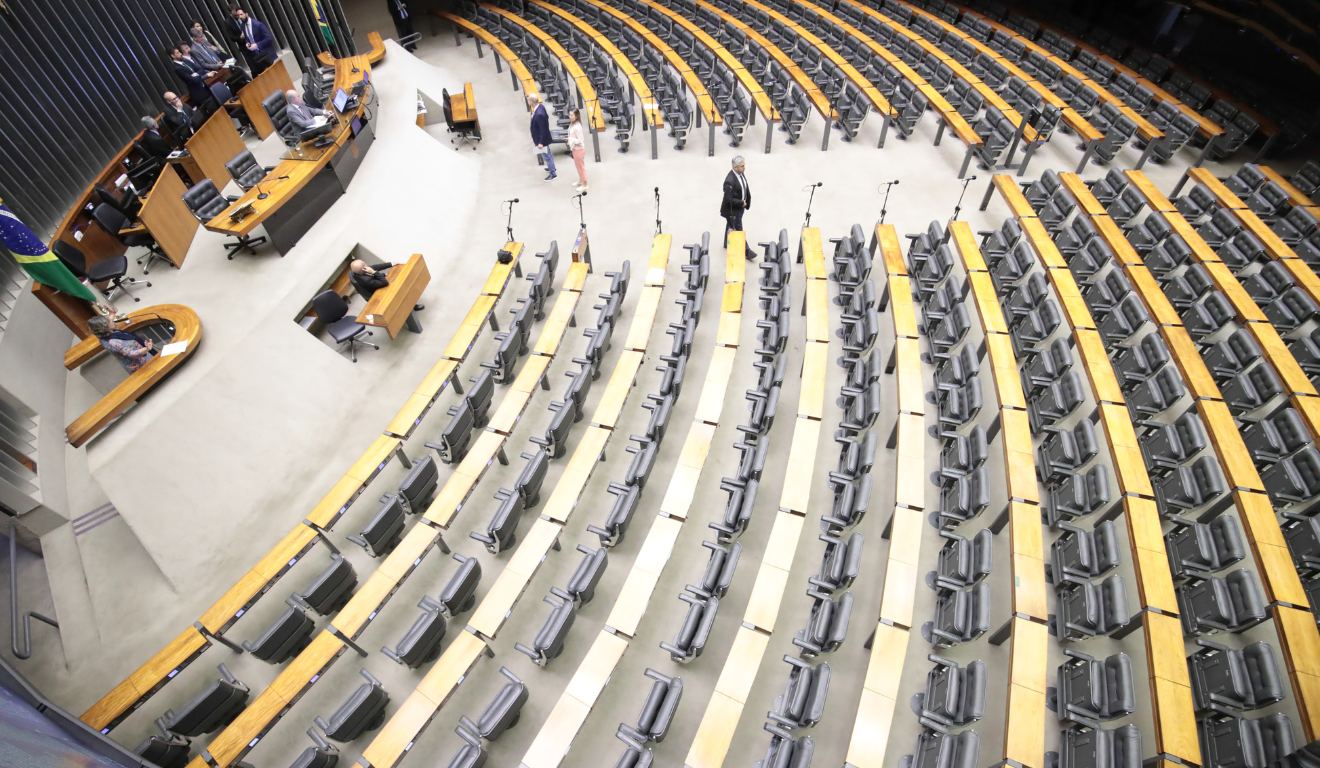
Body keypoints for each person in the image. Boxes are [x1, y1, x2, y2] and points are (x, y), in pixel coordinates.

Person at [188, 26, 250, 91]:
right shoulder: (194, 50)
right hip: (214, 71)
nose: (203, 38)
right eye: (200, 37)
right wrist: (216, 66)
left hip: (221, 64)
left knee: (237, 70)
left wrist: (216, 50)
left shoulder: (204, 41)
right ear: (194, 38)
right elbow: (203, 64)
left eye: (202, 35)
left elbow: (216, 50)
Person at [87, 315, 155, 373]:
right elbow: (131, 354)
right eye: (109, 321)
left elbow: (111, 323)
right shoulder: (114, 343)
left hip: (144, 355)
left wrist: (112, 314)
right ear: (105, 326)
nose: (112, 321)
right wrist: (147, 349)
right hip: (142, 364)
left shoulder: (104, 334)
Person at [349, 260, 424, 311]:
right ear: (363, 269)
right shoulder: (366, 281)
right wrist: (374, 272)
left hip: (378, 283)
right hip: (379, 291)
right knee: (400, 289)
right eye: (365, 265)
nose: (367, 265)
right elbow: (384, 283)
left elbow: (375, 267)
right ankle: (411, 307)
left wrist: (390, 264)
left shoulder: (359, 272)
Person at [720, 156, 757, 261]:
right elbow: (728, 199)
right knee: (739, 230)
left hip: (740, 208)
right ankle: (746, 250)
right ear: (735, 167)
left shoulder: (740, 173)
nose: (744, 167)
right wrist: (742, 202)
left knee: (730, 224)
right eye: (742, 166)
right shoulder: (729, 181)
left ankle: (726, 243)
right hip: (733, 210)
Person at [168, 45, 216, 114]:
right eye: (178, 53)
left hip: (205, 88)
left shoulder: (186, 61)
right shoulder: (177, 68)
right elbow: (194, 80)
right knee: (212, 113)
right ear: (173, 56)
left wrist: (196, 74)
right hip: (199, 94)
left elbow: (201, 69)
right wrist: (197, 76)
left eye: (179, 52)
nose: (181, 54)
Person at [234, 7, 278, 73]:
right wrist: (247, 43)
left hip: (266, 54)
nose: (240, 17)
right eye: (238, 15)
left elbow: (269, 38)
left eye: (241, 14)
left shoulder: (258, 24)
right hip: (257, 56)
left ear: (246, 14)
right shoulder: (243, 26)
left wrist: (257, 45)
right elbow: (247, 37)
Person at [528, 94, 556, 182]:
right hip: (541, 137)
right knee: (548, 153)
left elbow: (543, 129)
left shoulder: (539, 114)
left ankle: (553, 173)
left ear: (532, 102)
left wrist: (541, 142)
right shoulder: (540, 107)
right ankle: (552, 167)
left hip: (542, 139)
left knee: (547, 156)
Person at [567, 109, 587, 192]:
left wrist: (570, 139)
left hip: (579, 149)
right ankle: (581, 180)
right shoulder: (572, 124)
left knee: (581, 167)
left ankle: (585, 184)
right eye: (570, 115)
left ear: (576, 116)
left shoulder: (577, 127)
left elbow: (581, 140)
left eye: (572, 115)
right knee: (578, 167)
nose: (570, 116)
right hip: (575, 149)